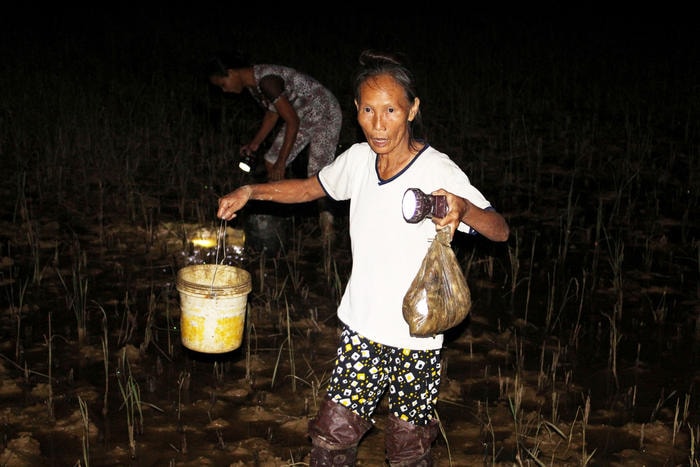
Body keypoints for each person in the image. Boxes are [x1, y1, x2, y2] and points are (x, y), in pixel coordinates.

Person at [217, 50, 510, 466]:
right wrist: (250, 192)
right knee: (330, 442)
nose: (378, 123)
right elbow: (306, 189)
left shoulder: (436, 170)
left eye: (391, 109)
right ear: (355, 110)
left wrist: (463, 206)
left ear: (412, 110)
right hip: (361, 333)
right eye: (368, 110)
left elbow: (499, 230)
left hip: (417, 338)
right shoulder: (357, 160)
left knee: (408, 452)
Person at [207, 51, 342, 239]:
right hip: (303, 116)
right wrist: (255, 144)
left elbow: (292, 121)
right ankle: (278, 219)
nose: (225, 90)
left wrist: (282, 162)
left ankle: (327, 227)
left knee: (318, 177)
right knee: (270, 160)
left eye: (223, 84)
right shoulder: (254, 84)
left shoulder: (266, 81)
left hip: (325, 113)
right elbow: (273, 113)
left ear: (231, 72)